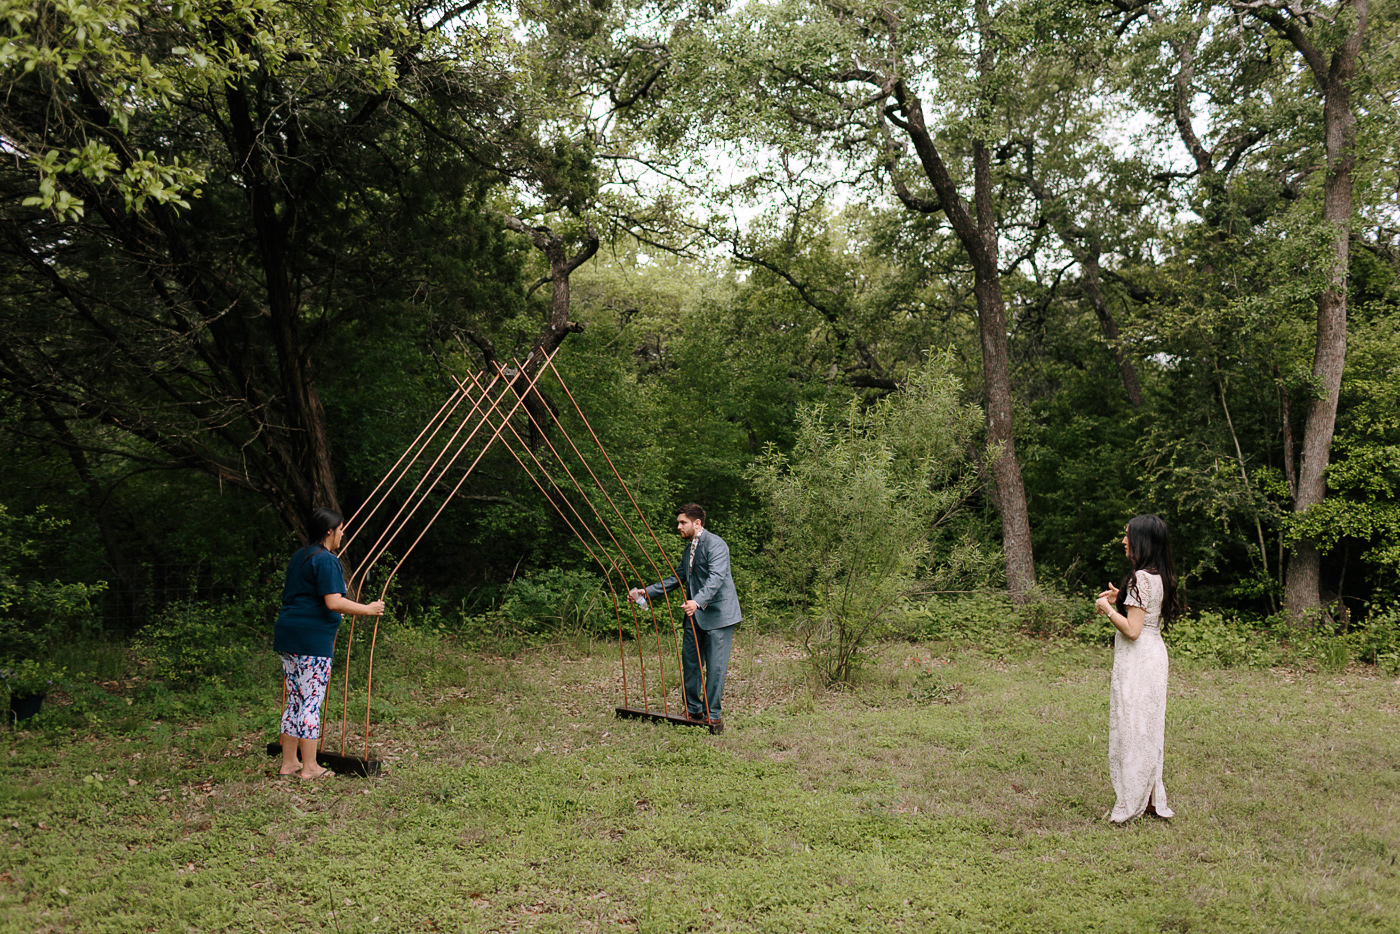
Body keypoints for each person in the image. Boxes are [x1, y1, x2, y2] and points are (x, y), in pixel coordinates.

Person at [274, 507, 385, 779]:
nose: (343, 533)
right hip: (311, 640)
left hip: (287, 636)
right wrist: (368, 609)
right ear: (329, 531)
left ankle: (290, 763)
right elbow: (333, 602)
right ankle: (310, 767)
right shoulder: (326, 560)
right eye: (341, 529)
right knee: (311, 701)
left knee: (295, 700)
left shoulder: (300, 556)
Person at [1095, 513, 1182, 822]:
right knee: (1148, 728)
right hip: (1155, 655)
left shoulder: (1140, 578)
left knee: (1131, 726)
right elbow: (1146, 611)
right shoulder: (1160, 577)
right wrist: (1121, 598)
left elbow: (1132, 630)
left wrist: (1106, 608)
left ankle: (1131, 799)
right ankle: (1147, 798)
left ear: (1142, 540)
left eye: (1127, 535)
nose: (1123, 540)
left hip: (1138, 658)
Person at [628, 503, 742, 733]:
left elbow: (717, 577)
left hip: (718, 616)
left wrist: (697, 601)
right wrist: (646, 592)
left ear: (697, 523)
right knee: (691, 664)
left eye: (683, 522)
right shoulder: (688, 548)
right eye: (678, 522)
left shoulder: (716, 544)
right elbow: (678, 577)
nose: (678, 526)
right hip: (694, 616)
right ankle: (693, 710)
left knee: (716, 668)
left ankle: (713, 716)